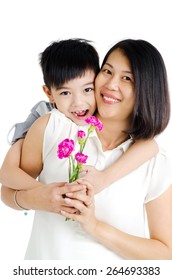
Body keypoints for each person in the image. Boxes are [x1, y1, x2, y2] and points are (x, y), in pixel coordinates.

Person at [1, 38, 169, 259]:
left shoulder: (154, 161)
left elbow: (165, 253)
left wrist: (95, 227)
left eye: (127, 78)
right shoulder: (54, 125)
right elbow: (8, 188)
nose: (110, 85)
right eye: (107, 71)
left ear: (147, 90)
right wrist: (40, 197)